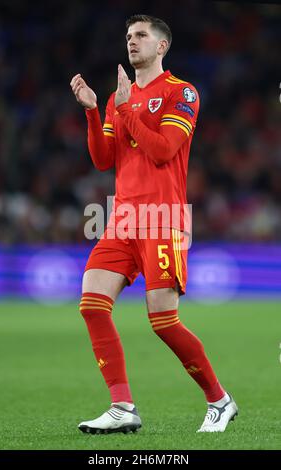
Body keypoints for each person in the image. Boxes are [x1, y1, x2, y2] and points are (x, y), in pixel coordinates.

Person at [70, 14, 238, 434]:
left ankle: (219, 399)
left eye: (141, 35)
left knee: (163, 322)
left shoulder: (182, 93)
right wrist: (95, 111)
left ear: (161, 46)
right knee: (92, 304)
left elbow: (164, 150)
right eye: (128, 35)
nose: (132, 41)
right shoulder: (116, 98)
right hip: (123, 218)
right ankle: (122, 405)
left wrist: (126, 110)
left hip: (164, 218)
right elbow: (104, 159)